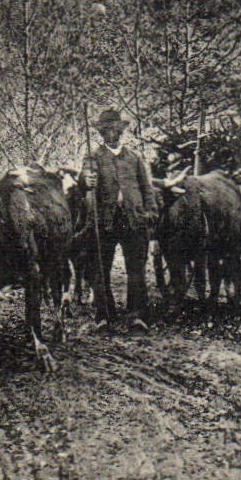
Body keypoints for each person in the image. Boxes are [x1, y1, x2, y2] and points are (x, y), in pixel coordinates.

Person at [80, 108, 158, 331]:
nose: (111, 133)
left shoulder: (133, 158)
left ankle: (136, 315)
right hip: (104, 219)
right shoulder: (93, 158)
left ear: (121, 131)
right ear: (102, 133)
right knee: (101, 269)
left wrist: (150, 211)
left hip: (132, 218)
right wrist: (87, 180)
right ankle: (105, 315)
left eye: (114, 129)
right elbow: (82, 183)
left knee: (136, 269)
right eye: (106, 130)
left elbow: (146, 187)